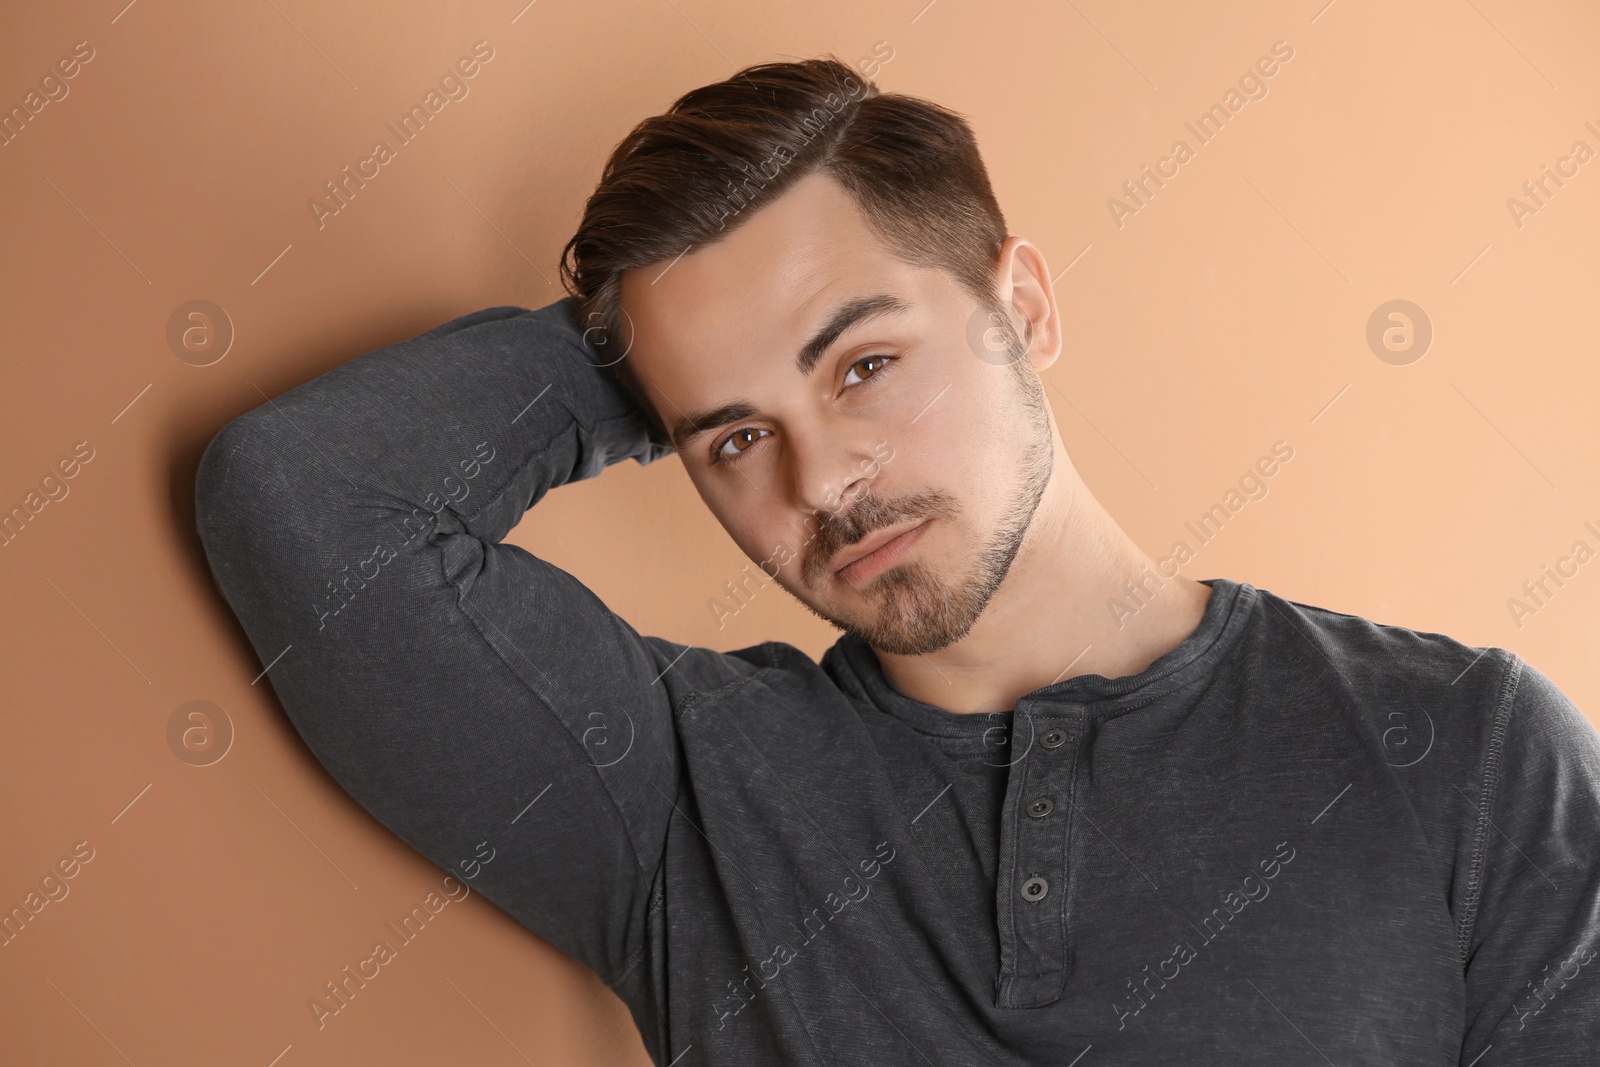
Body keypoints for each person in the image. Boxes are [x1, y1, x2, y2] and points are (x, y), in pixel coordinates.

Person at [194, 55, 1600, 1065]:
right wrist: (654, 342)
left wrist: (716, 355)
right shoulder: (680, 798)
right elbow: (304, 498)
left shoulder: (1464, 750)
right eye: (732, 439)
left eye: (865, 364)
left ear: (1023, 308)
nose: (823, 482)